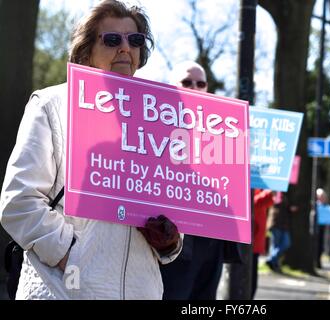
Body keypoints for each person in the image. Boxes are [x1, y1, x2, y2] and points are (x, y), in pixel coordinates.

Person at [0, 0, 182, 300]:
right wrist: (72, 255)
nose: (125, 47)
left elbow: (172, 212)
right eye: (112, 39)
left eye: (134, 40)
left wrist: (170, 242)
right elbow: (19, 202)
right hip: (63, 290)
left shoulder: (159, 120)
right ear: (85, 52)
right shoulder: (52, 104)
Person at [159, 61, 242, 300]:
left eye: (200, 83)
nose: (194, 87)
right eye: (186, 82)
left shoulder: (225, 129)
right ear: (172, 87)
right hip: (173, 239)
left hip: (212, 241)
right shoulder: (154, 124)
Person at [252, 189, 274, 299]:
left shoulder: (259, 188)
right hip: (249, 241)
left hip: (255, 241)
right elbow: (254, 202)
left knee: (252, 284)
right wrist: (269, 192)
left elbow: (268, 202)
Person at [266, 192, 291, 273]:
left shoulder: (284, 194)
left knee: (285, 244)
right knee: (275, 245)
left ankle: (271, 259)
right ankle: (274, 265)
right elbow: (275, 205)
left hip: (284, 225)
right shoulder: (275, 193)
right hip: (275, 224)